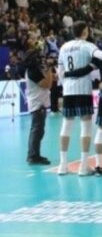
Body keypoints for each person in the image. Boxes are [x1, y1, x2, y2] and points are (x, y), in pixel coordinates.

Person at [57, 21, 102, 176]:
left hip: (68, 90)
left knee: (66, 126)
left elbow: (60, 70)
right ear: (85, 31)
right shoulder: (87, 45)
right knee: (86, 127)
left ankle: (62, 165)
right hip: (83, 89)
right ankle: (84, 166)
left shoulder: (63, 47)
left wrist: (66, 82)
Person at [24, 36, 53, 165]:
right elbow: (48, 84)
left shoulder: (33, 70)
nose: (42, 59)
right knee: (37, 130)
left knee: (38, 130)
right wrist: (49, 69)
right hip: (37, 103)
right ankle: (33, 155)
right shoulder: (33, 71)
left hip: (39, 103)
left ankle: (34, 154)